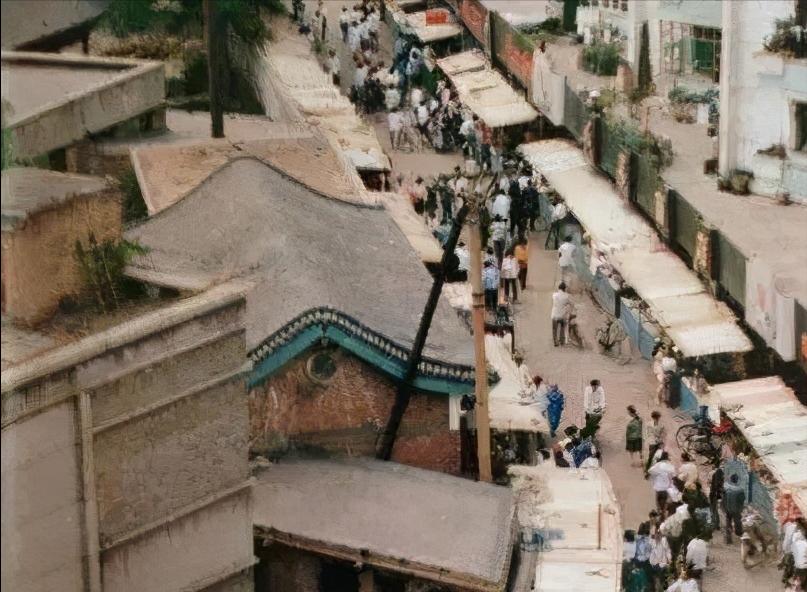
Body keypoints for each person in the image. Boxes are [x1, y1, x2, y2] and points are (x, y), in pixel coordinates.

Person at [723, 473, 746, 544]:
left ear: (731, 479)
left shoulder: (726, 488)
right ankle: (739, 534)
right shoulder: (740, 490)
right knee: (737, 523)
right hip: (736, 509)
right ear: (737, 480)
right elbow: (742, 500)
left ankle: (728, 539)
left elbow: (724, 499)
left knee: (728, 523)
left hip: (728, 509)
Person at [551, 282, 570, 347]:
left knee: (554, 329)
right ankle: (562, 341)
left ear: (559, 288)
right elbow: (570, 303)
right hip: (562, 316)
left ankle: (555, 342)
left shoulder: (554, 295)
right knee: (563, 326)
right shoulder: (567, 296)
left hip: (555, 315)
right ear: (564, 289)